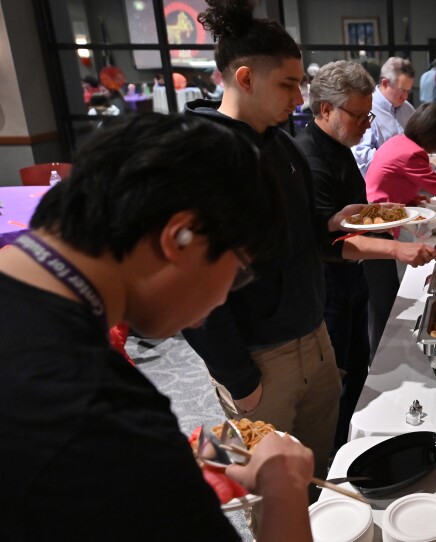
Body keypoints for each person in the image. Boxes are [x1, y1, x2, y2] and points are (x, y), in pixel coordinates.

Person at [0, 113, 315, 541]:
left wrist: (178, 471)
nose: (223, 299)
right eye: (238, 272)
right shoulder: (100, 414)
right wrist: (285, 487)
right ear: (179, 236)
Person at [181, 0, 356, 501]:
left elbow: (297, 237)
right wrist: (238, 378)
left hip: (313, 337)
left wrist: (331, 224)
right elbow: (192, 287)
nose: (300, 98)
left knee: (319, 473)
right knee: (270, 491)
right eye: (288, 84)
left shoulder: (281, 144)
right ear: (245, 78)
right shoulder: (202, 156)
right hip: (260, 359)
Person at [293, 60, 436, 449]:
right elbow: (330, 241)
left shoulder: (340, 147)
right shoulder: (310, 158)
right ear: (326, 109)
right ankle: (338, 456)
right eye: (358, 115)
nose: (365, 124)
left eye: (368, 115)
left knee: (359, 369)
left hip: (352, 281)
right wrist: (397, 248)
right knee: (336, 383)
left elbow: (351, 216)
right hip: (327, 290)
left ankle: (353, 444)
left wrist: (386, 211)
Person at [366, 102, 436, 213]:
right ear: (433, 135)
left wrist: (411, 198)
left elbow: (392, 183)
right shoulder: (412, 154)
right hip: (382, 215)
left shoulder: (398, 140)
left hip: (375, 206)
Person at [352, 56, 416, 175]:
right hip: (378, 181)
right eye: (401, 90)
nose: (405, 96)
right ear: (385, 83)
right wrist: (398, 159)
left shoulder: (409, 109)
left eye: (408, 91)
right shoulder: (366, 109)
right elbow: (361, 156)